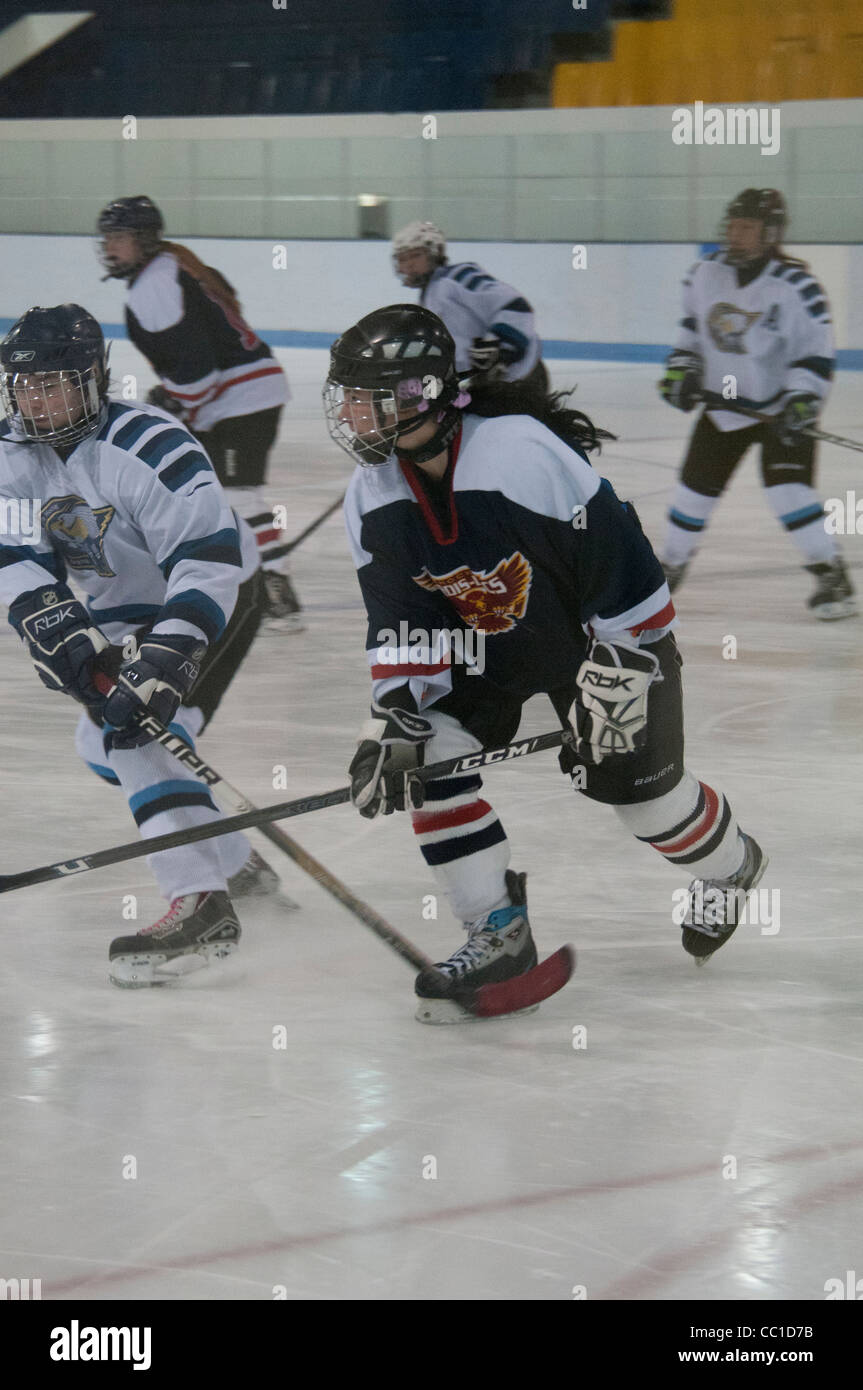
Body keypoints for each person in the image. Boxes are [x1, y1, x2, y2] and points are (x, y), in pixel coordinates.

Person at [323, 304, 766, 1024]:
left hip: (591, 641)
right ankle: (496, 931)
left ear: (417, 396)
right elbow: (402, 616)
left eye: (360, 395)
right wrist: (399, 714)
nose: (345, 413)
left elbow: (619, 563)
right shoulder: (371, 493)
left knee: (641, 799)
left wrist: (622, 671)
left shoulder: (518, 453)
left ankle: (730, 866)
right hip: (481, 652)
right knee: (431, 760)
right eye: (342, 394)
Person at [0, 304, 289, 988]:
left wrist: (170, 652)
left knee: (135, 732)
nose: (36, 400)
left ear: (95, 379)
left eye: (55, 383)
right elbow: (12, 555)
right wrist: (53, 628)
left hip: (214, 596)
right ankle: (231, 857)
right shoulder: (11, 456)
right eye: (24, 385)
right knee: (97, 740)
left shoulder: (150, 443)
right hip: (123, 615)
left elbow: (206, 558)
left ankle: (199, 900)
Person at [96, 195, 304, 632]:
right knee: (205, 493)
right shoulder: (177, 265)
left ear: (146, 240)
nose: (110, 246)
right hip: (244, 393)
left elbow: (198, 369)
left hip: (241, 400)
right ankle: (238, 581)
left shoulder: (153, 284)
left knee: (237, 496)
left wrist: (175, 400)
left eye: (121, 237)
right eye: (108, 238)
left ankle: (276, 592)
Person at [658, 187, 856, 620]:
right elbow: (689, 333)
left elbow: (816, 353)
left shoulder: (796, 287)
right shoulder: (703, 274)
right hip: (723, 409)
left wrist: (802, 403)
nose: (736, 235)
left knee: (788, 491)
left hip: (780, 407)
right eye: (732, 225)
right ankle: (669, 568)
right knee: (692, 493)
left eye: (747, 228)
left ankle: (831, 573)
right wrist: (681, 372)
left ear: (770, 234)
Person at [391, 220, 548, 393]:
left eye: (415, 255)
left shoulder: (456, 277)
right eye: (403, 259)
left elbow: (515, 306)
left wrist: (502, 350)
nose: (408, 265)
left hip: (521, 376)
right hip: (487, 385)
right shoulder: (427, 298)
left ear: (436, 253)